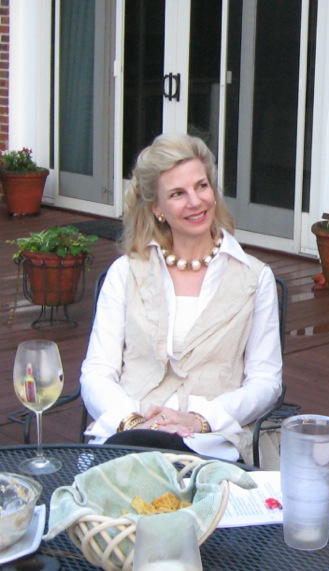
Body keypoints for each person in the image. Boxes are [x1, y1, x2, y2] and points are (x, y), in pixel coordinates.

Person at [80, 133, 283, 468]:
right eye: (177, 193)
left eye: (201, 186)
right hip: (129, 441)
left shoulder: (254, 278)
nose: (195, 201)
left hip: (210, 445)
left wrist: (200, 419)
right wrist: (131, 422)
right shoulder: (126, 273)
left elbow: (266, 382)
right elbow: (97, 372)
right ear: (157, 208)